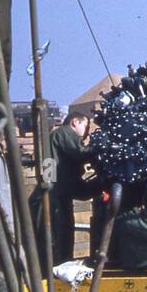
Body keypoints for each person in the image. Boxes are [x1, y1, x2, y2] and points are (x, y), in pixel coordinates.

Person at [48, 113, 93, 264]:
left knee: (66, 236)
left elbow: (79, 188)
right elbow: (79, 153)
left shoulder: (61, 139)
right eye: (85, 126)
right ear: (74, 122)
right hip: (54, 197)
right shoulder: (63, 132)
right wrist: (99, 148)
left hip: (61, 196)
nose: (86, 132)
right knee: (59, 238)